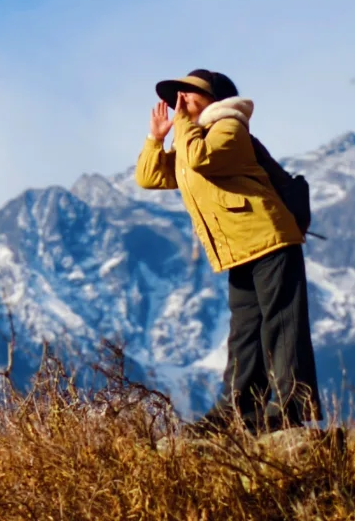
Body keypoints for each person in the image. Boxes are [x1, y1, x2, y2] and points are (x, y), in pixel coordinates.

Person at [135, 69, 319, 431]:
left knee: (282, 325)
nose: (181, 101)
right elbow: (150, 177)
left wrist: (184, 125)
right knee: (244, 335)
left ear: (214, 97)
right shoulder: (194, 139)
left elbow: (203, 160)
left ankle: (290, 408)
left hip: (270, 239)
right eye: (178, 96)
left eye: (189, 93)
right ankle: (237, 413)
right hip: (240, 251)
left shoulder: (229, 127)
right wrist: (155, 140)